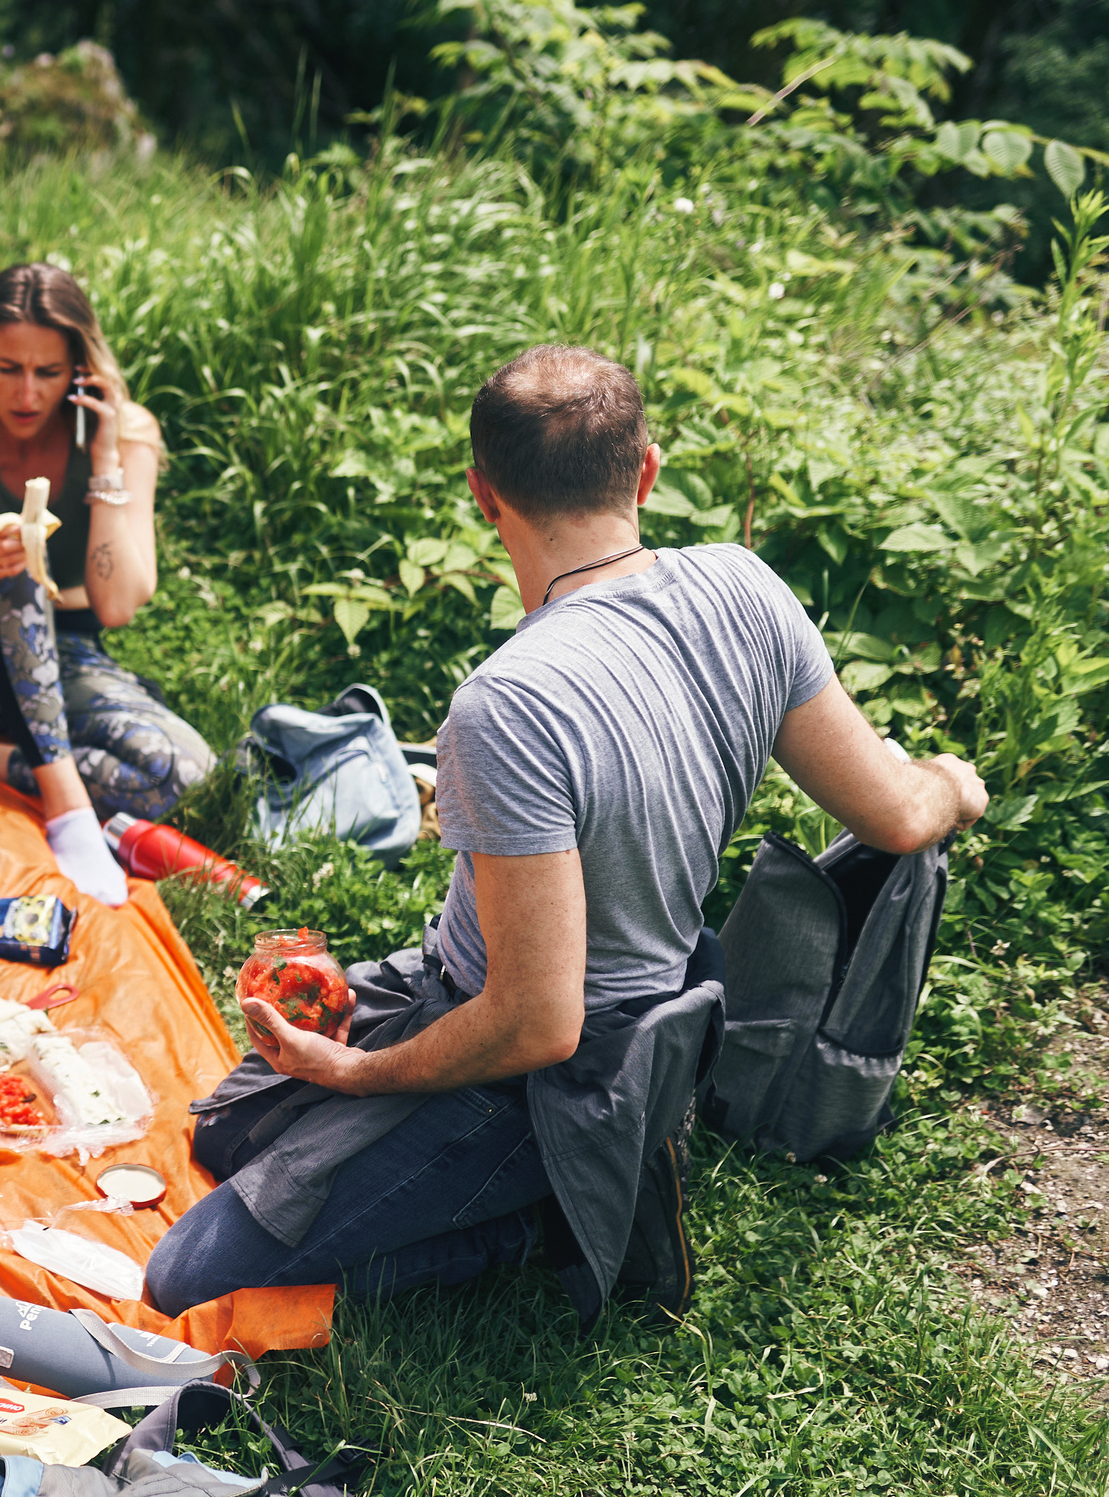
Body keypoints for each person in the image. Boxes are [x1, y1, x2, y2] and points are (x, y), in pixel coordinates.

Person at [144, 346, 988, 1324]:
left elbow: (538, 1022)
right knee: (224, 1136)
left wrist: (361, 1073)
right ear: (645, 472)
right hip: (513, 998)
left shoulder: (506, 704)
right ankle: (514, 1167)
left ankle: (547, 1217)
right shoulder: (747, 588)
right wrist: (952, 785)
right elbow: (897, 813)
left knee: (186, 1273)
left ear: (480, 495)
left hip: (562, 1075)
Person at [0, 263, 213, 908]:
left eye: (49, 373)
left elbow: (116, 606)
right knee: (18, 556)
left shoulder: (124, 437)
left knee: (180, 773)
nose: (27, 394)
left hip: (61, 661)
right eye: (8, 369)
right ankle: (69, 812)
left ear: (80, 370)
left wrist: (107, 460)